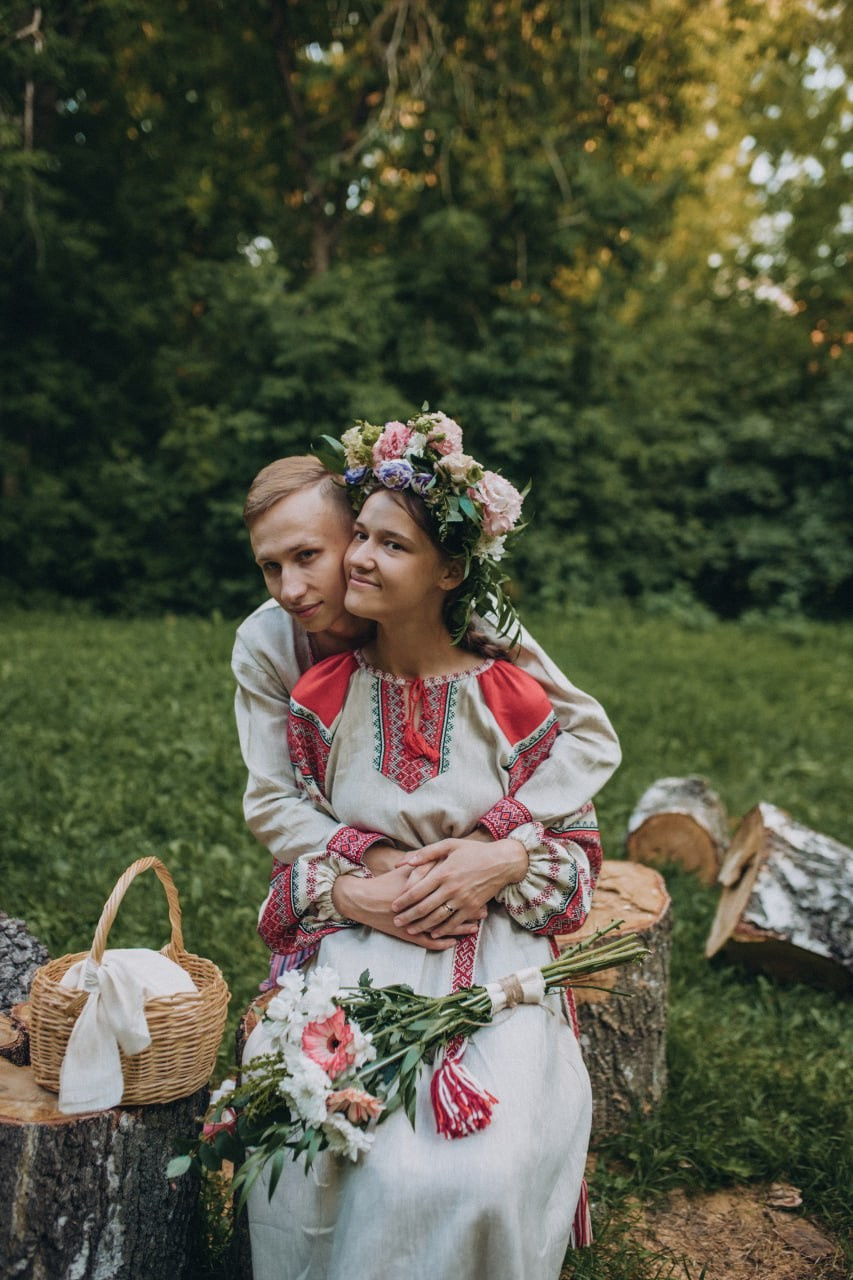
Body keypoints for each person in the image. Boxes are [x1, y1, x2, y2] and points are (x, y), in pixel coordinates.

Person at [241, 411, 617, 1280]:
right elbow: (279, 810)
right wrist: (358, 880)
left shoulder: (506, 679)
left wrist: (503, 849)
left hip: (490, 948)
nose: (321, 576)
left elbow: (578, 801)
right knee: (316, 1142)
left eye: (382, 544)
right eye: (360, 539)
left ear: (448, 570)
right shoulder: (311, 685)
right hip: (359, 938)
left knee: (479, 1168)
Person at [232, 442, 620, 964]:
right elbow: (273, 798)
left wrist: (493, 843)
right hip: (354, 855)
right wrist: (364, 876)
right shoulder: (266, 645)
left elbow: (587, 735)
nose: (292, 590)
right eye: (270, 567)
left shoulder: (460, 613)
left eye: (307, 556)